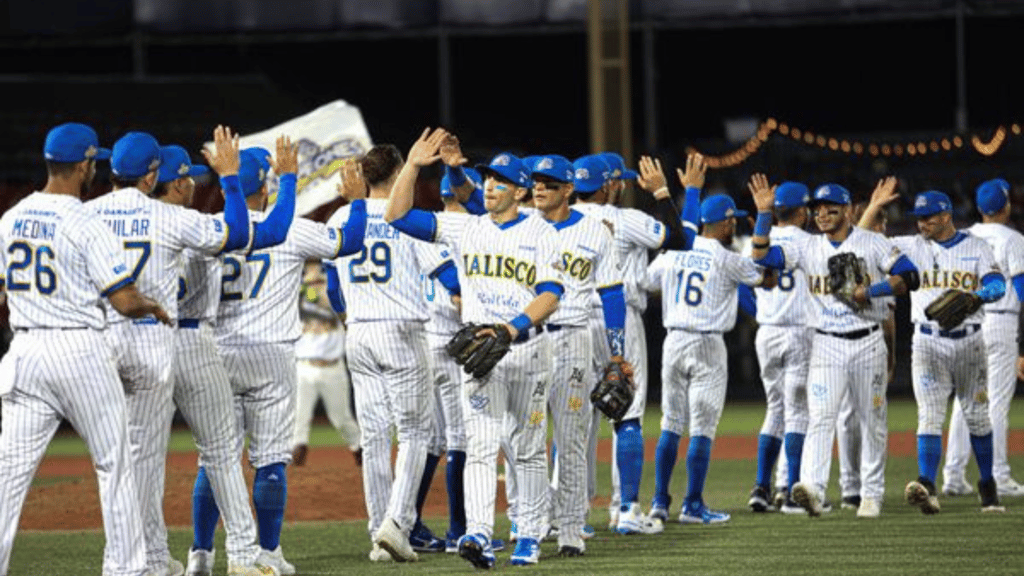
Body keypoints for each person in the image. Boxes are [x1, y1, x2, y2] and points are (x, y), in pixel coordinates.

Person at [384, 129, 565, 569]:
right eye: (487, 178)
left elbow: (551, 293)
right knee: (481, 446)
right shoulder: (465, 227)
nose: (489, 185)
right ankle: (479, 532)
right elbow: (397, 215)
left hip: (526, 351)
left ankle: (527, 534)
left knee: (525, 447)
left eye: (500, 180)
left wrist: (511, 327)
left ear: (519, 191)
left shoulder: (543, 232)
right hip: (481, 354)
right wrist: (411, 165)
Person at [0, 122, 172, 576]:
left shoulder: (10, 218)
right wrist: (150, 305)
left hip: (25, 350)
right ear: (83, 165)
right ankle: (126, 569)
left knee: (7, 475)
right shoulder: (84, 221)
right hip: (79, 350)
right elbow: (124, 300)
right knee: (115, 465)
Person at [192, 143, 367, 575]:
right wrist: (358, 202)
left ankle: (200, 554)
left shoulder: (209, 229)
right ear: (267, 187)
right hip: (271, 356)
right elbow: (350, 241)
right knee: (269, 461)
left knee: (215, 459)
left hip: (216, 354)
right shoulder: (288, 228)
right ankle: (268, 554)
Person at [86, 126, 253, 576]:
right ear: (152, 175)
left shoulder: (87, 213)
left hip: (99, 344)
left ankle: (148, 558)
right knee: (146, 461)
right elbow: (237, 231)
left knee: (117, 461)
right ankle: (141, 562)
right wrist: (232, 177)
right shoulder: (169, 218)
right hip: (152, 339)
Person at [749, 179, 919, 519]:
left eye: (831, 209)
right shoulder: (808, 247)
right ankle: (813, 489)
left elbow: (910, 276)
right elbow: (762, 256)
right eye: (817, 210)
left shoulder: (872, 242)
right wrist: (764, 214)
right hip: (825, 343)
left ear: (848, 211)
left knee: (872, 420)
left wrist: (871, 291)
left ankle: (871, 494)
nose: (822, 215)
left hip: (868, 339)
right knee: (821, 419)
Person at [152, 143, 286, 576]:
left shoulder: (109, 219)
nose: (192, 181)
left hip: (138, 342)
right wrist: (239, 179)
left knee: (137, 459)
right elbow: (263, 232)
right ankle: (248, 556)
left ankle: (162, 557)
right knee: (222, 455)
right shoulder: (196, 224)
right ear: (174, 180)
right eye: (186, 176)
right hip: (196, 342)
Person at [323, 143, 457, 563]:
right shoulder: (407, 219)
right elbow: (448, 275)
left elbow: (331, 285)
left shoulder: (343, 216)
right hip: (402, 331)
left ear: (364, 175)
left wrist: (349, 316)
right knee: (417, 433)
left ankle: (377, 531)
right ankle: (396, 525)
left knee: (375, 438)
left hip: (358, 332)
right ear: (399, 171)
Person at [858, 186, 1007, 514]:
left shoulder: (976, 246)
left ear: (946, 215)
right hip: (927, 342)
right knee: (929, 416)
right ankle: (926, 484)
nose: (921, 223)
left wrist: (978, 297)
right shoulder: (910, 246)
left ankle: (987, 485)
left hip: (970, 342)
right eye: (918, 218)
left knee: (978, 416)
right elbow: (863, 237)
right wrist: (875, 205)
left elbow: (999, 284)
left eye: (927, 217)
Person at [571, 153, 697, 533]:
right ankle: (625, 510)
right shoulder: (626, 220)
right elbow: (681, 239)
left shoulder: (559, 220)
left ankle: (570, 516)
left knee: (572, 421)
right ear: (609, 184)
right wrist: (662, 191)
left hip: (571, 322)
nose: (622, 185)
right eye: (618, 181)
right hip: (617, 317)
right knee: (627, 413)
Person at [645, 193, 764, 525]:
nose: (734, 225)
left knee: (670, 424)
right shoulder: (726, 258)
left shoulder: (674, 251)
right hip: (708, 344)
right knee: (702, 428)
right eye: (733, 221)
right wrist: (763, 228)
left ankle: (658, 501)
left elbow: (646, 283)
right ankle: (692, 504)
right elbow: (763, 274)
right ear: (725, 223)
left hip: (674, 340)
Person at [529, 153, 627, 556]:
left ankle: (570, 528)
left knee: (571, 439)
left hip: (573, 338)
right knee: (522, 439)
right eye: (536, 181)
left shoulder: (594, 231)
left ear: (568, 189)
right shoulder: (520, 226)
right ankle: (533, 520)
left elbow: (613, 293)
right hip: (529, 342)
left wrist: (617, 355)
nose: (539, 187)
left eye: (549, 183)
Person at [943, 178, 1024, 498]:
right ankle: (999, 476)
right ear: (1006, 205)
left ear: (979, 208)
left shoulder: (966, 237)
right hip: (1000, 324)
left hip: (968, 324)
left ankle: (952, 476)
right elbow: (1021, 293)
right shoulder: (1013, 240)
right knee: (996, 404)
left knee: (965, 404)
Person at [744, 180, 814, 514]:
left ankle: (760, 485)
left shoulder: (753, 243)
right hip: (798, 331)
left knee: (775, 409)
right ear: (803, 210)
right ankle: (791, 490)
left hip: (766, 331)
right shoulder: (807, 242)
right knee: (798, 411)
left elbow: (744, 286)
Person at [291, 261, 362, 468]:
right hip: (304, 367)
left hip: (333, 367)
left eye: (317, 270)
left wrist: (315, 288)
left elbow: (327, 301)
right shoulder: (296, 298)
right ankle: (297, 462)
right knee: (298, 418)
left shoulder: (337, 296)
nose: (313, 275)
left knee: (341, 419)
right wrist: (304, 289)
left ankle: (360, 452)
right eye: (309, 270)